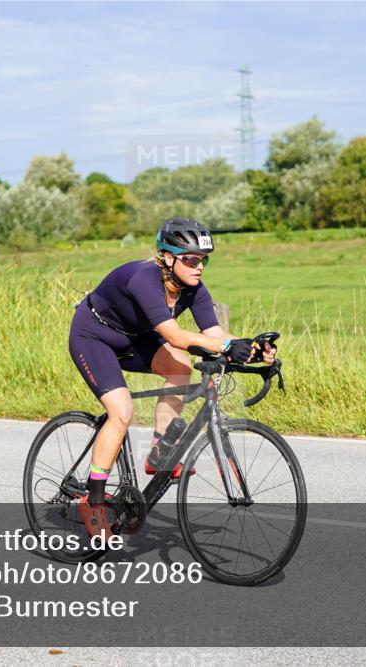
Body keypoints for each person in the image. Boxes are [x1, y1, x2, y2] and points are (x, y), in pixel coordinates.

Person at [67, 218, 275, 539]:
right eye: (190, 259)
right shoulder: (143, 278)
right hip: (93, 336)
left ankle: (158, 451)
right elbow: (176, 336)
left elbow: (215, 334)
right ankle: (92, 499)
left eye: (203, 260)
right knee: (121, 412)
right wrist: (226, 345)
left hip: (133, 338)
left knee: (179, 366)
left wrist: (253, 350)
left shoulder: (193, 289)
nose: (199, 267)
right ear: (167, 257)